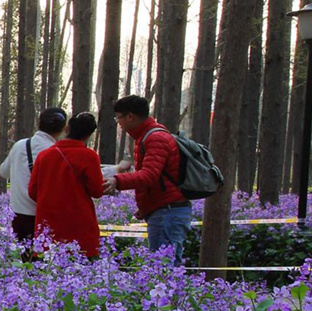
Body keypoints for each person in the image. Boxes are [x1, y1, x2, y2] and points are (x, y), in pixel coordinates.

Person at [103, 95, 192, 265]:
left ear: (130, 116)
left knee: (163, 269)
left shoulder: (155, 138)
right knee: (163, 267)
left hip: (168, 211)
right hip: (163, 209)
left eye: (118, 117)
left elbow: (150, 175)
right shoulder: (145, 137)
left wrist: (117, 180)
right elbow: (158, 178)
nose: (118, 123)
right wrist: (146, 205)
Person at [28, 112, 104, 258]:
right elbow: (97, 191)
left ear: (67, 128)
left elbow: (32, 191)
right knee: (81, 266)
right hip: (80, 224)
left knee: (47, 269)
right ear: (88, 135)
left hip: (48, 223)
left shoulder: (44, 156)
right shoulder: (90, 156)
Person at [0, 108, 68, 254]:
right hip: (44, 217)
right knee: (44, 263)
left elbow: (3, 172)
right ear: (63, 129)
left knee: (25, 260)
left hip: (18, 216)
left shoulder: (19, 145)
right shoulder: (57, 152)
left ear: (39, 123)